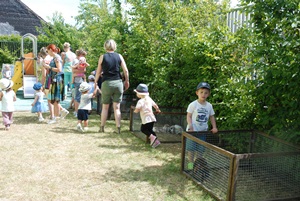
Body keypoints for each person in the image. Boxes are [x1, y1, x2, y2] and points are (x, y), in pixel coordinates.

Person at [94, 39, 129, 133]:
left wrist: (95, 82)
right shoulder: (119, 56)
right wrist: (127, 81)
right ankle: (118, 128)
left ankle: (102, 128)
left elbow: (98, 72)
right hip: (118, 83)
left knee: (105, 107)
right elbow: (125, 70)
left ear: (105, 46)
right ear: (115, 46)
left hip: (107, 83)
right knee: (117, 107)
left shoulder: (102, 57)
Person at [186, 82, 218, 169]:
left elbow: (211, 117)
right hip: (192, 132)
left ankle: (198, 166)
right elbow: (188, 116)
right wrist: (190, 126)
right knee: (191, 149)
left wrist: (214, 127)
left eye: (206, 93)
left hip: (203, 132)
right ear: (197, 93)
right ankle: (190, 165)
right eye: (201, 92)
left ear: (209, 94)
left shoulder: (209, 106)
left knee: (200, 150)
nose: (203, 94)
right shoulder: (193, 104)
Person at [43, 44, 69, 124]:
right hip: (54, 80)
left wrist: (48, 67)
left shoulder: (57, 58)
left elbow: (59, 69)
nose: (47, 52)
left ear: (51, 49)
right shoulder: (55, 57)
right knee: (53, 100)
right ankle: (60, 114)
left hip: (57, 80)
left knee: (55, 100)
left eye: (47, 50)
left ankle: (56, 118)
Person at [133, 83, 161, 148]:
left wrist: (135, 110)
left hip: (146, 118)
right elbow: (155, 105)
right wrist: (158, 110)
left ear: (139, 94)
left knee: (143, 129)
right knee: (150, 130)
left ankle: (153, 138)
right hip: (152, 117)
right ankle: (155, 142)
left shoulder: (140, 101)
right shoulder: (149, 99)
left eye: (136, 93)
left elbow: (137, 109)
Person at [72, 49, 87, 118]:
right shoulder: (76, 61)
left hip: (81, 80)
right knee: (77, 97)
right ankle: (76, 111)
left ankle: (78, 111)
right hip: (77, 81)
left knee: (80, 97)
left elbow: (84, 70)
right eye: (83, 55)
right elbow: (73, 70)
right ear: (79, 55)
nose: (84, 57)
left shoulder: (82, 61)